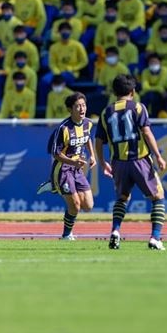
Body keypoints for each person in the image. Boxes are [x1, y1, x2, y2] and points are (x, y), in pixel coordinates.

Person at [95, 74, 167, 251]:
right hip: (139, 160)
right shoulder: (138, 108)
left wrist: (103, 162)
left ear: (114, 92)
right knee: (158, 197)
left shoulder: (106, 112)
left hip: (118, 162)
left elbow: (98, 140)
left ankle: (115, 231)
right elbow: (147, 133)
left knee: (122, 198)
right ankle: (155, 238)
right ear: (133, 91)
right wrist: (158, 155)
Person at [49, 92, 96, 240]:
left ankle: (56, 187)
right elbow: (56, 154)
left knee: (88, 206)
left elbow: (87, 137)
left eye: (83, 105)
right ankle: (66, 234)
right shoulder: (63, 128)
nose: (82, 109)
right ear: (70, 109)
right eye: (77, 106)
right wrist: (72, 162)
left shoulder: (88, 123)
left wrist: (92, 155)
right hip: (63, 169)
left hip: (77, 169)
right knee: (75, 205)